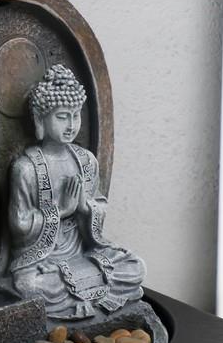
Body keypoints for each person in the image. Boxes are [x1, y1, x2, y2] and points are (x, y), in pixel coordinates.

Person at [8, 64, 145, 320]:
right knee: (31, 287)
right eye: (62, 117)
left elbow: (99, 205)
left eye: (76, 116)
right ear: (40, 119)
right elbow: (20, 223)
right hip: (43, 261)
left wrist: (85, 207)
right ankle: (85, 294)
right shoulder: (26, 168)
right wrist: (60, 210)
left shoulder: (86, 161)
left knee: (134, 266)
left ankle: (83, 295)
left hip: (81, 252)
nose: (71, 125)